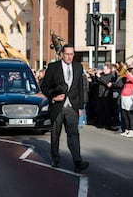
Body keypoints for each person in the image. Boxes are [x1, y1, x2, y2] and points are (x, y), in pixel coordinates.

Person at [40, 44, 89, 173]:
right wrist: (53, 98)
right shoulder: (53, 67)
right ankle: (55, 158)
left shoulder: (78, 67)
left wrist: (80, 107)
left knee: (73, 134)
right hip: (57, 106)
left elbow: (80, 88)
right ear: (61, 54)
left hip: (72, 106)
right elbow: (44, 87)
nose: (69, 57)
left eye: (71, 54)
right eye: (67, 54)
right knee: (55, 134)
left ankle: (77, 161)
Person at [120, 68, 133, 137]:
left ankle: (132, 130)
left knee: (130, 114)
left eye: (128, 73)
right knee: (124, 114)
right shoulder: (127, 80)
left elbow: (132, 79)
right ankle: (126, 129)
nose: (127, 74)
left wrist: (127, 73)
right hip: (124, 96)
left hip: (129, 97)